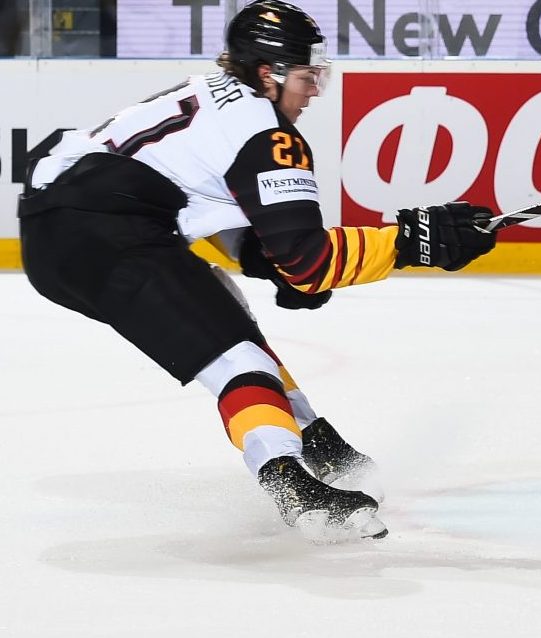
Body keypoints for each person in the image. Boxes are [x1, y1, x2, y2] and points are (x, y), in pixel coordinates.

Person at [17, 1, 498, 544]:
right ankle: (294, 488)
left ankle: (315, 438)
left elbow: (191, 202)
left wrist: (270, 265)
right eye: (306, 76)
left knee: (230, 326)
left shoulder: (218, 94)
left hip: (77, 228)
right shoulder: (266, 135)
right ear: (269, 74)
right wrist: (416, 243)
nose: (314, 90)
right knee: (236, 358)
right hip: (104, 238)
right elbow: (311, 263)